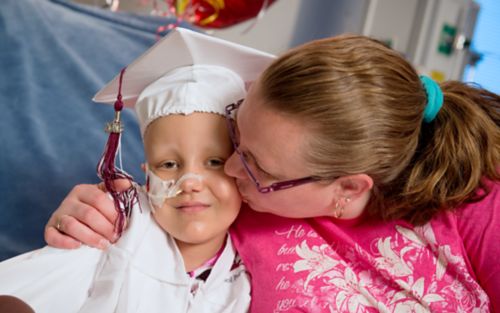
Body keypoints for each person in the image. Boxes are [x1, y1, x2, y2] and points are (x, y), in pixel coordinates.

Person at [46, 33, 500, 312]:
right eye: (235, 136)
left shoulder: (476, 203)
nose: (229, 167)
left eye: (258, 166)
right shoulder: (230, 202)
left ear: (346, 187)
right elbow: (146, 231)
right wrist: (93, 216)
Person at [0, 28, 274, 313]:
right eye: (168, 165)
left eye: (215, 162)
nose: (190, 182)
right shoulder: (117, 230)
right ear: (146, 177)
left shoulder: (252, 277)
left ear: (243, 169)